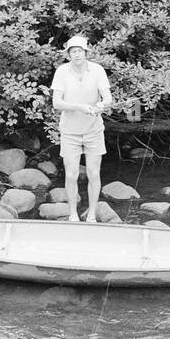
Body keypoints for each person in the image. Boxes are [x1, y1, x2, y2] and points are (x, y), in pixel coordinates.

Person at [51, 35, 113, 222]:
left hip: (94, 130)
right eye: (73, 51)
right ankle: (73, 215)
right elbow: (57, 103)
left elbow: (108, 98)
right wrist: (79, 106)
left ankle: (92, 215)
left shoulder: (97, 70)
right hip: (69, 132)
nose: (76, 54)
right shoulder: (62, 71)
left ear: (86, 53)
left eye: (79, 51)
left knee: (94, 173)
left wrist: (102, 105)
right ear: (68, 54)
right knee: (71, 175)